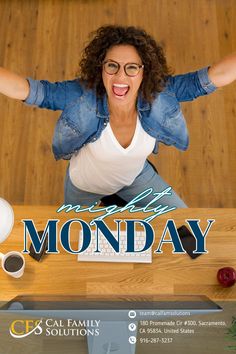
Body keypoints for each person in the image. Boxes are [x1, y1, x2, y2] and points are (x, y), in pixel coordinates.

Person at [0, 25, 235, 208]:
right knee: (72, 245)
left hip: (135, 180)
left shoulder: (161, 93)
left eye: (132, 67)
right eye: (112, 66)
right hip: (84, 187)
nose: (121, 76)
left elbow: (212, 77)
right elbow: (29, 90)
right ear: (100, 68)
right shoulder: (81, 95)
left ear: (145, 72)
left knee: (186, 222)